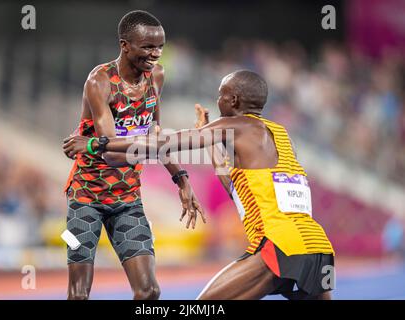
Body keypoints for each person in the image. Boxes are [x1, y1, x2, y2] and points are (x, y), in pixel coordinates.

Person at [64, 70, 336, 300]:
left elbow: (166, 143)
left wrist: (97, 143)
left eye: (221, 94)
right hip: (317, 247)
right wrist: (214, 142)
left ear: (234, 100)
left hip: (280, 245)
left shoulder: (235, 124)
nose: (218, 100)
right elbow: (236, 188)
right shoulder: (278, 135)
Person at [62, 10, 205, 300]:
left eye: (160, 47)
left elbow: (153, 132)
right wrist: (163, 141)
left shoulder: (157, 77)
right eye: (148, 47)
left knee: (149, 291)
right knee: (78, 295)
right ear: (124, 45)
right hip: (86, 197)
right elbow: (112, 154)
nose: (156, 54)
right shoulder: (99, 82)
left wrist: (181, 178)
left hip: (127, 199)